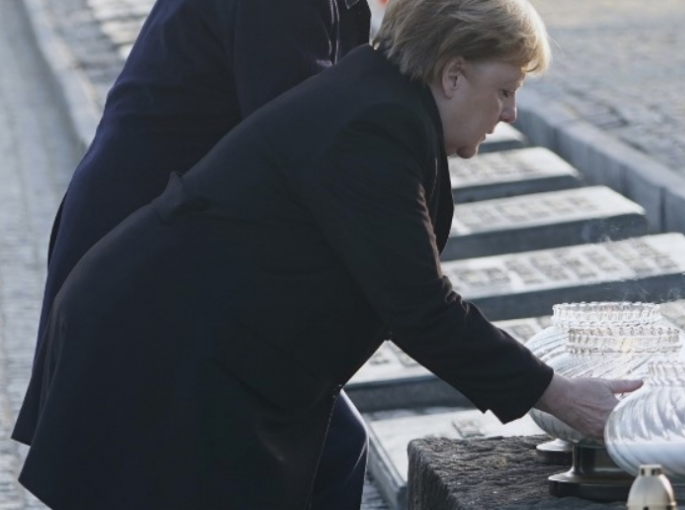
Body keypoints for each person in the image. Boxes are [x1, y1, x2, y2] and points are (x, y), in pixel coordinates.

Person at [15, 0, 643, 507]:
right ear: (453, 74)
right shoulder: (368, 123)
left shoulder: (383, 96)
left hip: (202, 311)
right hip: (162, 322)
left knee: (325, 455)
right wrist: (556, 393)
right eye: (505, 90)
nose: (510, 114)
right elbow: (418, 304)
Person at [13, 0, 372, 507]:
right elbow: (305, 146)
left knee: (321, 451)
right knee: (313, 452)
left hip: (176, 252)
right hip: (147, 262)